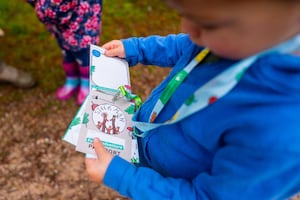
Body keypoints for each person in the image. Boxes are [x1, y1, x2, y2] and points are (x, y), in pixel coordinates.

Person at [85, 0, 300, 199]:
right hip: (151, 147)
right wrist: (138, 49)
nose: (186, 29)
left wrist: (124, 178)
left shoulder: (279, 136)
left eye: (209, 25)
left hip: (172, 184)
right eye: (185, 15)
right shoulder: (233, 41)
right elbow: (185, 47)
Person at [27, 0, 102, 104]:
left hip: (82, 22)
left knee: (84, 56)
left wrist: (42, 8)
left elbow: (54, 9)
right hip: (60, 24)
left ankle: (87, 84)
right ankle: (72, 79)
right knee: (66, 51)